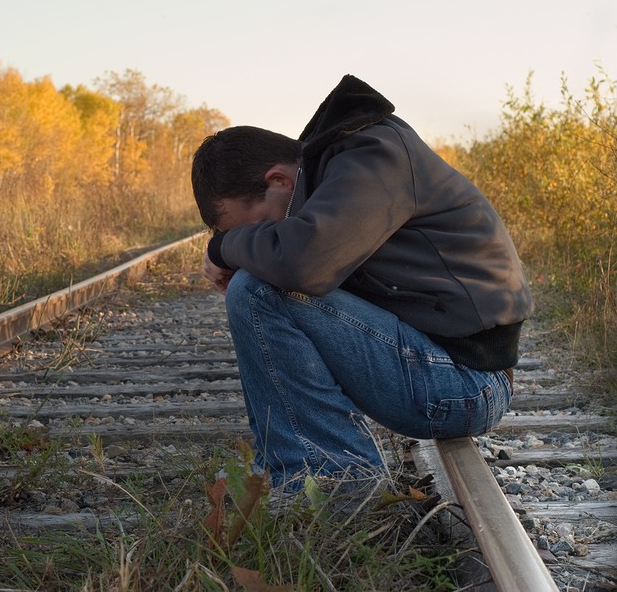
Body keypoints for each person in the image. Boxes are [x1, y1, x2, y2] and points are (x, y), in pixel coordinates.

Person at [191, 75, 534, 490]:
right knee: (261, 279)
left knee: (257, 289)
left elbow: (306, 263)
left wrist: (225, 247)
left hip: (468, 382)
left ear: (278, 180)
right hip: (439, 363)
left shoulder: (374, 156)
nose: (262, 237)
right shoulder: (337, 174)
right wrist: (237, 244)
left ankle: (335, 483)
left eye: (261, 226)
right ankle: (317, 470)